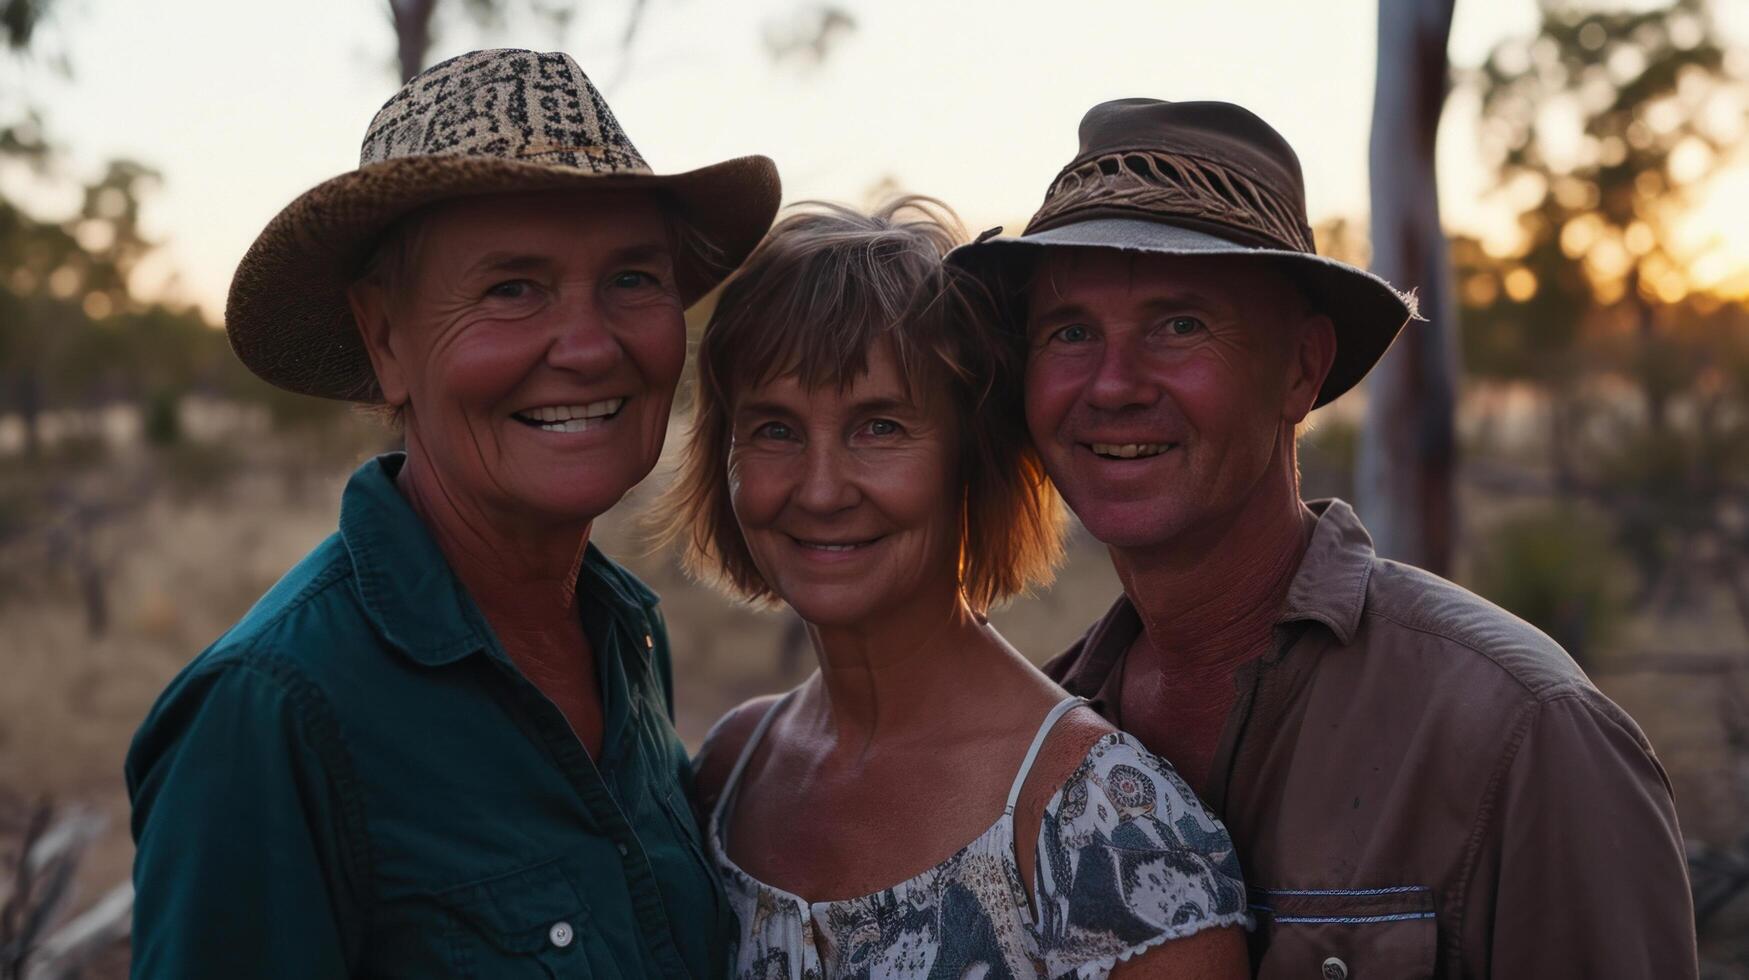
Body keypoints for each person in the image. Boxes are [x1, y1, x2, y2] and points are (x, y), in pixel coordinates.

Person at [949, 98, 1697, 978]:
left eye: (1178, 324)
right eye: (1069, 332)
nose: (1112, 385)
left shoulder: (1516, 733)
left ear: (1299, 369)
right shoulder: (1040, 739)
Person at [124, 49, 779, 978]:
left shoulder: (622, 638)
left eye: (633, 278)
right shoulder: (273, 715)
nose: (590, 346)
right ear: (386, 339)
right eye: (513, 287)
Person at [662, 198, 1251, 979]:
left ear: (971, 461)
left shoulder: (1107, 833)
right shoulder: (730, 771)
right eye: (774, 428)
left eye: (879, 427)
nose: (820, 489)